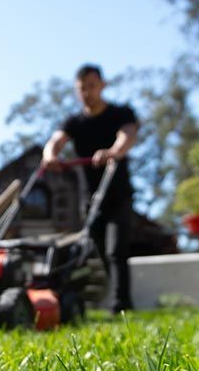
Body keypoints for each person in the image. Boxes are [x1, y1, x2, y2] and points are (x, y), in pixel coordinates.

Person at [42, 64, 139, 314]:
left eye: (92, 86)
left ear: (102, 86)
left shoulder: (120, 113)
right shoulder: (74, 122)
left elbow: (127, 135)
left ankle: (122, 305)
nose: (87, 92)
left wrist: (113, 152)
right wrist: (50, 155)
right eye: (82, 88)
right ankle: (115, 297)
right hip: (91, 199)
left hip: (118, 195)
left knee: (116, 249)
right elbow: (56, 140)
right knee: (99, 250)